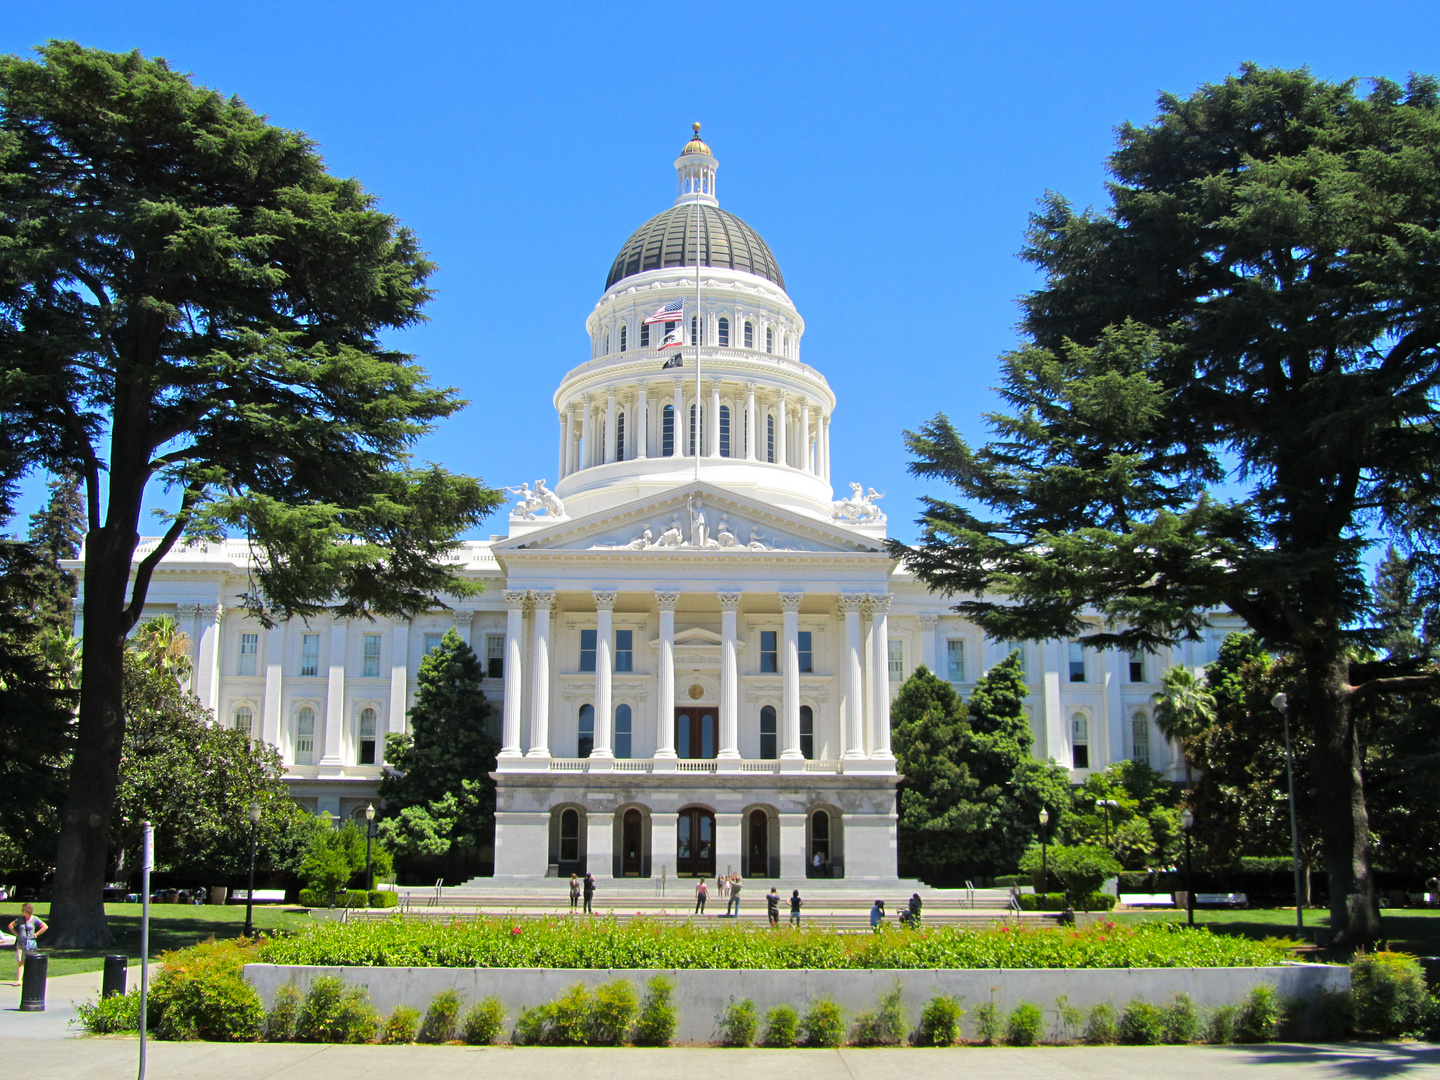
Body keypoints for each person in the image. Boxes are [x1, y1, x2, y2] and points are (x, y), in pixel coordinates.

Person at [8, 903, 47, 985]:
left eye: (24, 911)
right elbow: (11, 926)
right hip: (20, 943)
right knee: (20, 961)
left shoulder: (35, 919)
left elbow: (45, 926)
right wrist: (17, 934)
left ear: (28, 911)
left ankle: (31, 979)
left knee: (30, 961)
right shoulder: (20, 919)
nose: (23, 912)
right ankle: (19, 981)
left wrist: (36, 934)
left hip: (30, 943)